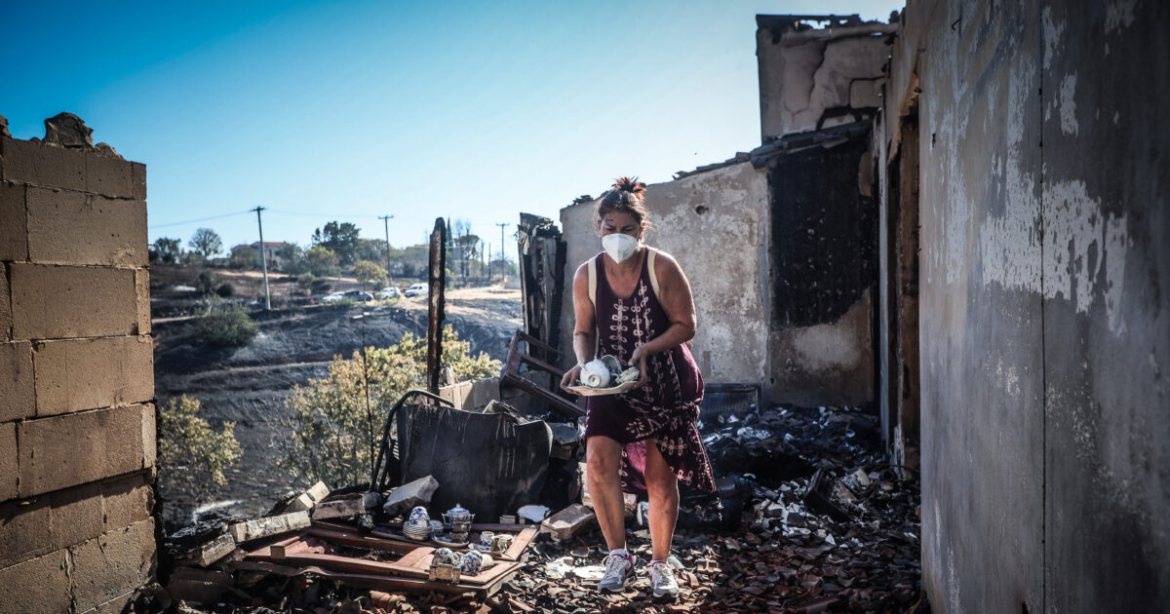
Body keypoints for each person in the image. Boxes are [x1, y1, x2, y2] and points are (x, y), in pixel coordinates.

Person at [560, 176, 715, 601]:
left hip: (664, 379)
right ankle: (618, 557)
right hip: (612, 383)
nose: (618, 236)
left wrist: (647, 349)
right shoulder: (586, 275)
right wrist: (584, 364)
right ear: (599, 228)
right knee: (597, 460)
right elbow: (583, 330)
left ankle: (661, 565)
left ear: (641, 230)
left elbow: (688, 325)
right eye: (610, 228)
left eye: (627, 229)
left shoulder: (661, 266)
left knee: (660, 475)